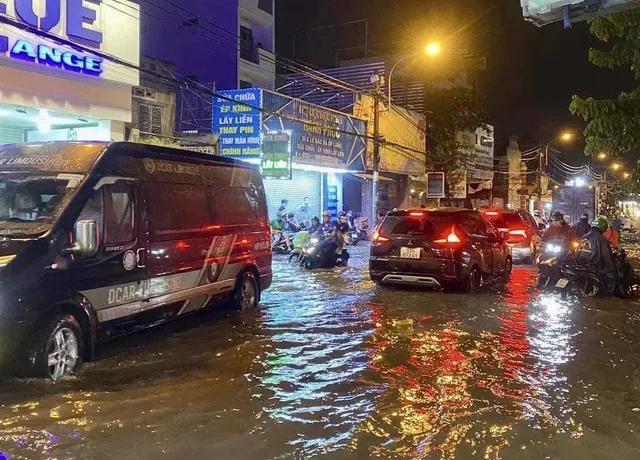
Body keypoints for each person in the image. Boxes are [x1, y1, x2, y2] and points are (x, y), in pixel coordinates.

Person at [576, 217, 616, 292]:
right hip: (594, 265)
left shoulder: (585, 236)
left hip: (581, 263)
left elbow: (577, 252)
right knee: (611, 277)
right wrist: (610, 267)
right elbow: (606, 254)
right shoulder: (601, 238)